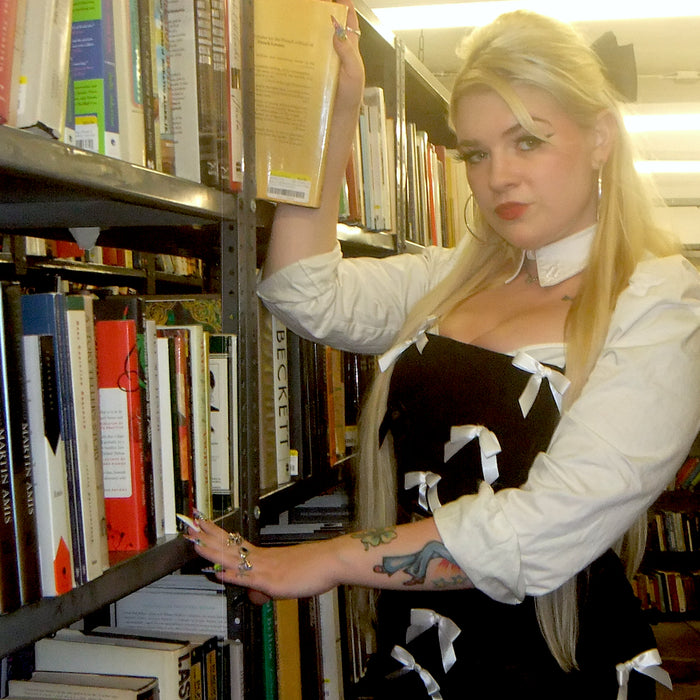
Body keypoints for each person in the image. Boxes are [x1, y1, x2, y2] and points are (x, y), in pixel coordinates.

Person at [184, 2, 700, 697]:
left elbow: (542, 529)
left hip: (554, 669)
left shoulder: (662, 305)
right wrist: (336, 113)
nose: (498, 178)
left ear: (601, 137)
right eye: (477, 154)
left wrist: (330, 560)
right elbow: (303, 290)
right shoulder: (459, 272)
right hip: (417, 658)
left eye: (528, 142)